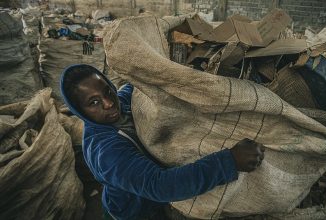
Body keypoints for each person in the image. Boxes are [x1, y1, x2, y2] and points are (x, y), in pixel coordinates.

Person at [60, 64, 265, 220]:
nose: (108, 102)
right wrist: (229, 161)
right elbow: (160, 186)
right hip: (135, 212)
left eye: (107, 90)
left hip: (153, 202)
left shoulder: (123, 101)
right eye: (93, 102)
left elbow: (137, 86)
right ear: (80, 112)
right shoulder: (105, 151)